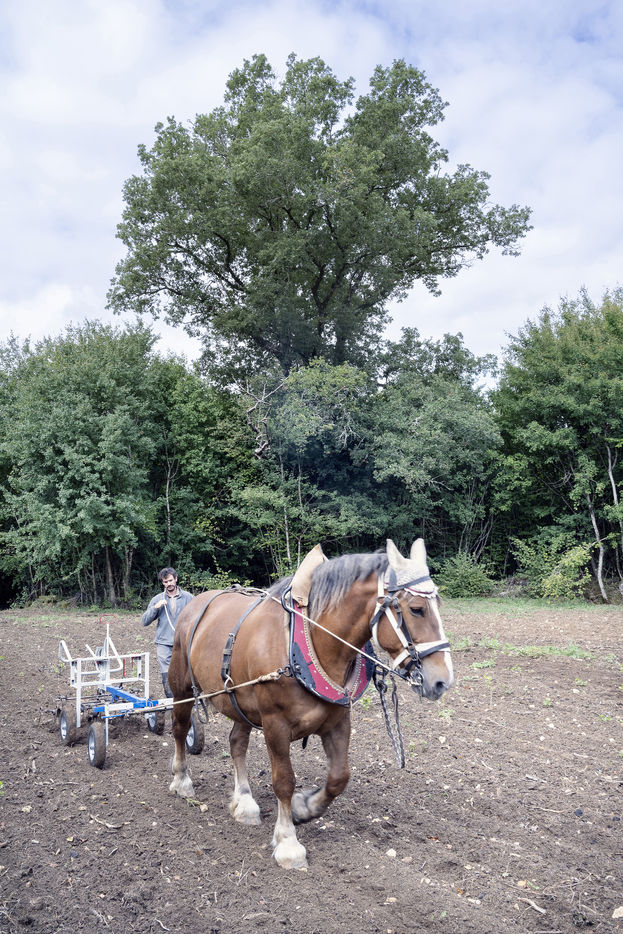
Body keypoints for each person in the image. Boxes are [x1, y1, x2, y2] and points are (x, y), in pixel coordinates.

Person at [142, 567, 193, 697]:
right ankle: (171, 699)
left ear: (176, 579)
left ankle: (188, 699)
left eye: (170, 580)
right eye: (165, 582)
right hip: (164, 642)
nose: (168, 584)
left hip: (184, 642)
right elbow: (145, 621)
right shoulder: (157, 599)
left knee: (186, 670)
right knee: (167, 672)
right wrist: (155, 608)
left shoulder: (188, 597)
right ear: (162, 582)